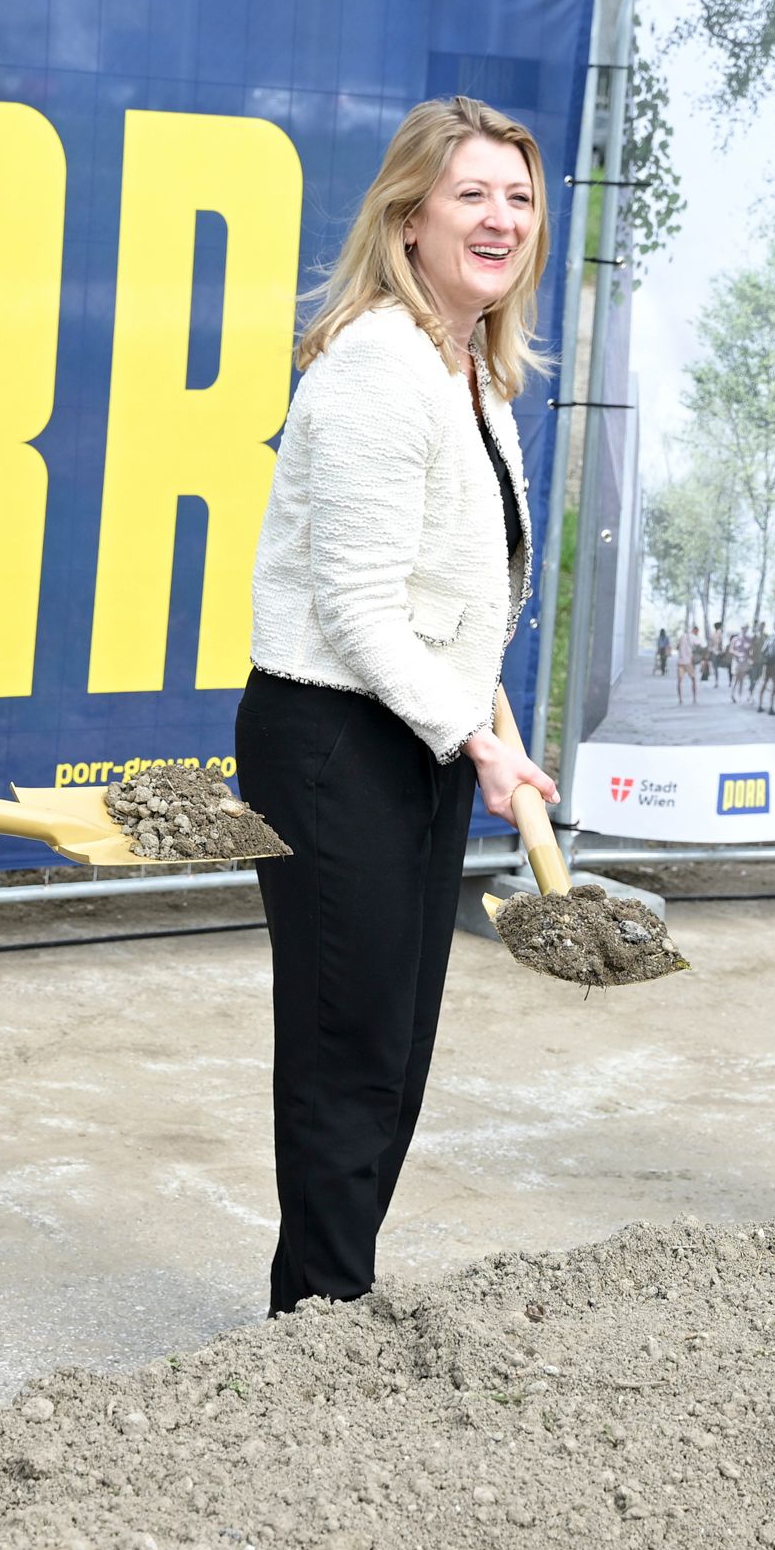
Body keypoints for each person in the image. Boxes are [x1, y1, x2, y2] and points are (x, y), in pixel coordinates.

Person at [236, 95, 553, 1314]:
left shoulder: (469, 368)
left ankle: (331, 1301)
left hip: (413, 732)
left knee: (394, 1046)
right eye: (472, 194)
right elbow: (359, 606)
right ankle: (317, 1319)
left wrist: (477, 714)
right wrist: (474, 736)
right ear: (408, 216)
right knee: (348, 1047)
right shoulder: (379, 363)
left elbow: (444, 593)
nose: (500, 218)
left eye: (518, 198)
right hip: (334, 739)